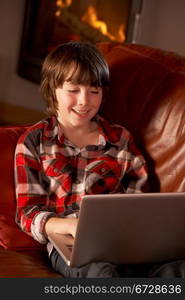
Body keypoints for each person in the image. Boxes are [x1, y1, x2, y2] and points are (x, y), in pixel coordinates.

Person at [14, 41, 160, 277]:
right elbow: (27, 212)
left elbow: (140, 202)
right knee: (100, 273)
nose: (85, 101)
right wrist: (69, 226)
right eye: (73, 90)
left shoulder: (121, 140)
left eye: (94, 91)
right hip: (69, 244)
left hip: (120, 240)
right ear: (53, 90)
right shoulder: (34, 142)